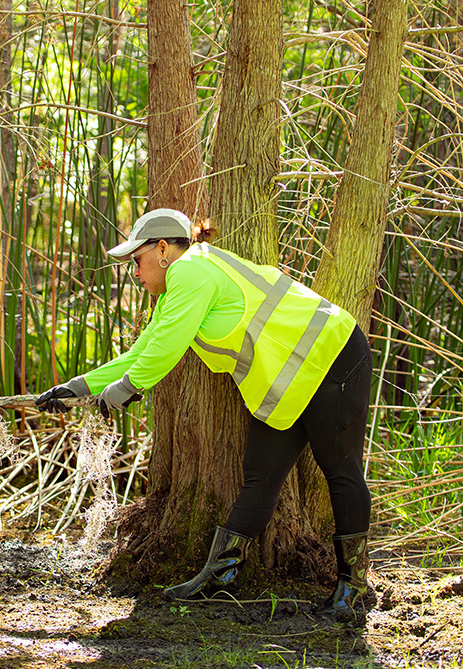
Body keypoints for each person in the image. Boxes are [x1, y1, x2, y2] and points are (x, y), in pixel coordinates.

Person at [35, 208, 373, 617]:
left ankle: (352, 587)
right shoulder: (180, 285)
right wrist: (80, 387)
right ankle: (220, 576)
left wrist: (125, 390)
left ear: (162, 249)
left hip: (332, 355)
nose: (136, 275)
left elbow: (163, 352)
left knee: (339, 469)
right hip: (288, 379)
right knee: (261, 475)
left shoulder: (190, 273)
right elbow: (143, 351)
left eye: (136, 263)